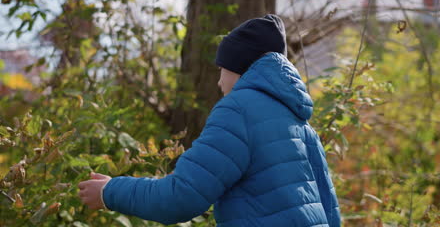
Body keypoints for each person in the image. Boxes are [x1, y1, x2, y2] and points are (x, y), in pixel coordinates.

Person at [78, 14, 341, 226]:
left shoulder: (239, 111)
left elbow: (180, 198)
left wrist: (109, 191)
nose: (218, 81)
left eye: (221, 69)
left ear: (239, 67)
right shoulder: (299, 120)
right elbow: (330, 210)